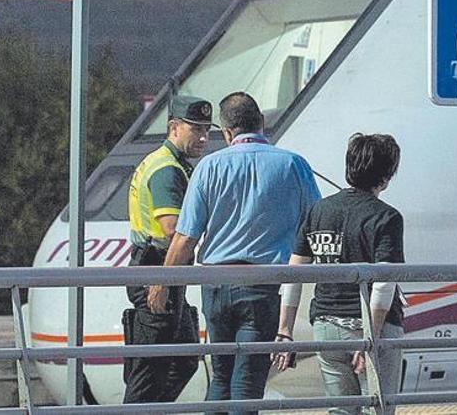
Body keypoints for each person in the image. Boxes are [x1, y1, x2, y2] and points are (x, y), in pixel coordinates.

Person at [155, 92, 321, 413]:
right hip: (262, 286)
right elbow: (317, 224)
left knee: (221, 375)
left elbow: (185, 237)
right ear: (261, 123)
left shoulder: (207, 167)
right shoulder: (293, 164)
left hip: (214, 284)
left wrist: (162, 283)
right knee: (248, 380)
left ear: (227, 132)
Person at [274, 133, 405, 415]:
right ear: (385, 177)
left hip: (326, 326)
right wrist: (370, 338)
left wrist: (284, 329)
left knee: (341, 411)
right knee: (378, 409)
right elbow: (384, 283)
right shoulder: (386, 217)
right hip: (370, 327)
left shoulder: (319, 211)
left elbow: (294, 273)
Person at [122, 96, 212, 404]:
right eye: (195, 129)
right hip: (158, 269)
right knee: (151, 371)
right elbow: (174, 229)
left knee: (184, 360)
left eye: (206, 130)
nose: (203, 137)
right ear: (174, 127)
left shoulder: (169, 163)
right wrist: (162, 283)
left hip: (164, 269)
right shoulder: (167, 170)